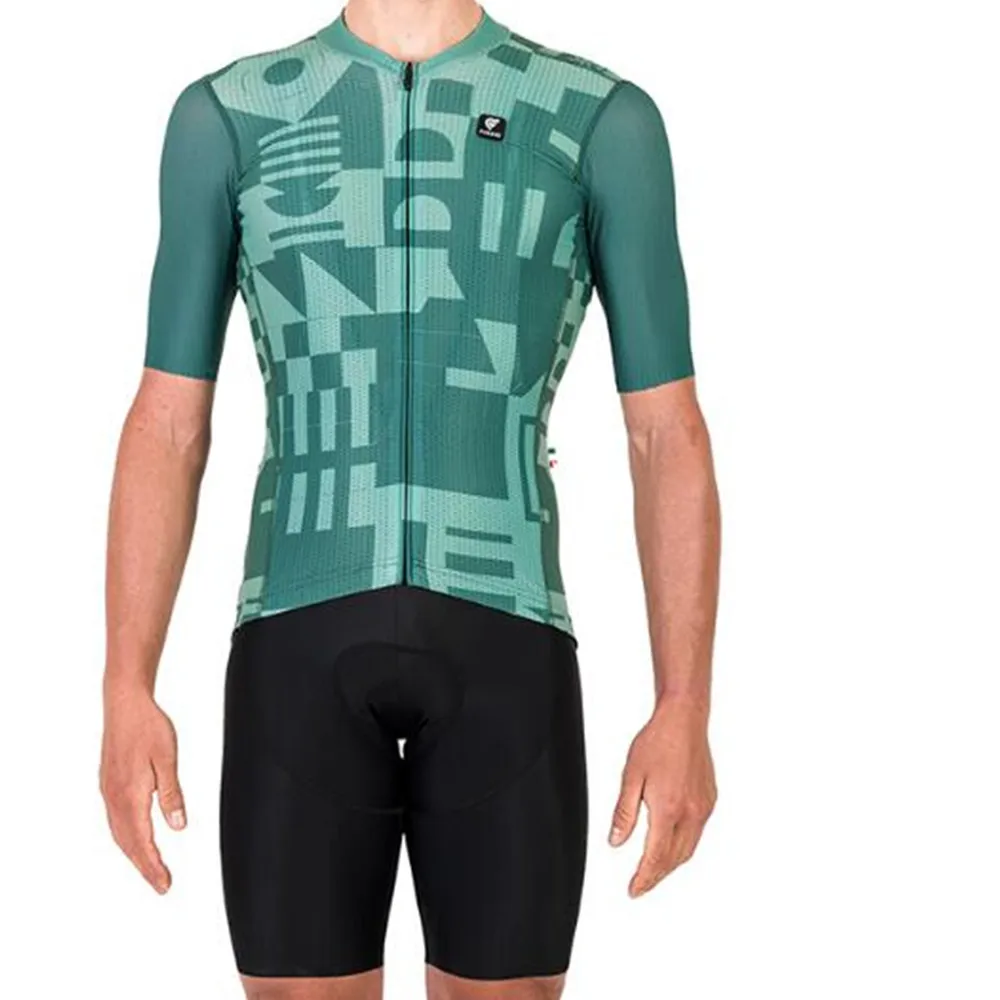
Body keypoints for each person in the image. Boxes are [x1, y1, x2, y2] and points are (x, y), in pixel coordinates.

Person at [99, 0, 721, 996]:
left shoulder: (596, 118)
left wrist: (683, 705)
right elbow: (167, 420)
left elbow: (665, 432)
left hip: (506, 637)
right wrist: (125, 687)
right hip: (296, 638)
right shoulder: (230, 115)